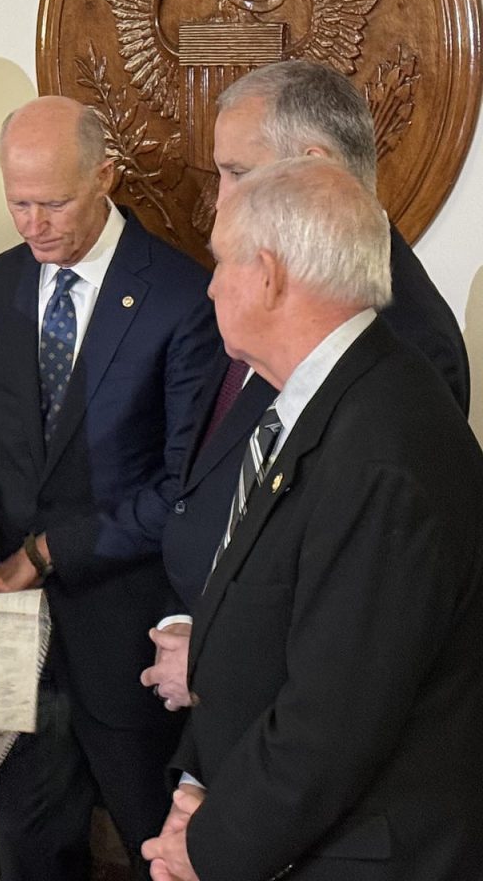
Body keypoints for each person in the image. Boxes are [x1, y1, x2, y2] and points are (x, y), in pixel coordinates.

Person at [141, 157, 483, 881]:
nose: (208, 285)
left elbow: (332, 721)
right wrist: (199, 781)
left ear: (266, 274)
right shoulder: (327, 398)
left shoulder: (383, 448)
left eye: (220, 262)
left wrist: (206, 848)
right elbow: (264, 619)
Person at [0, 97, 219, 879]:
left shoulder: (181, 297)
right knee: (29, 842)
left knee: (152, 843)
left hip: (127, 632)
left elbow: (182, 487)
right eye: (18, 202)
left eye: (53, 202)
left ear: (106, 176)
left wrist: (50, 551)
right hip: (18, 631)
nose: (33, 224)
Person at [145, 58, 472, 710]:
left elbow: (359, 609)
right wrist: (187, 621)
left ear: (314, 164)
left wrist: (215, 661)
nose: (221, 196)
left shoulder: (407, 336)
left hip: (279, 711)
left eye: (236, 172)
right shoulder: (255, 279)